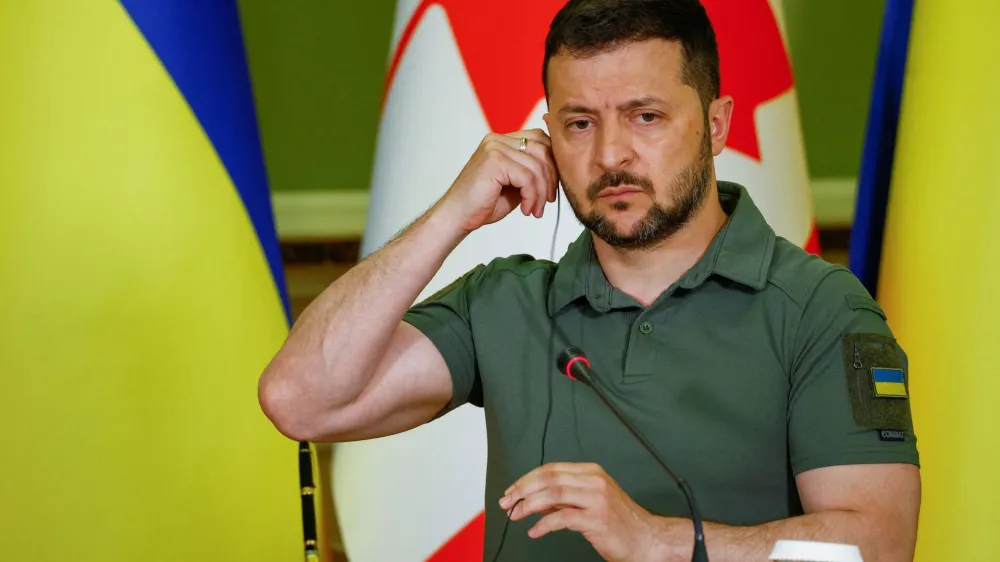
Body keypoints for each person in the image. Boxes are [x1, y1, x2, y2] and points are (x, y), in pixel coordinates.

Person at [258, 0, 921, 560]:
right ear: (545, 137)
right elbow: (301, 401)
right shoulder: (504, 299)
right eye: (580, 124)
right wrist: (451, 214)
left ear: (716, 125)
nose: (610, 156)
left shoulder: (821, 308)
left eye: (646, 117)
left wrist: (657, 541)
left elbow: (875, 545)